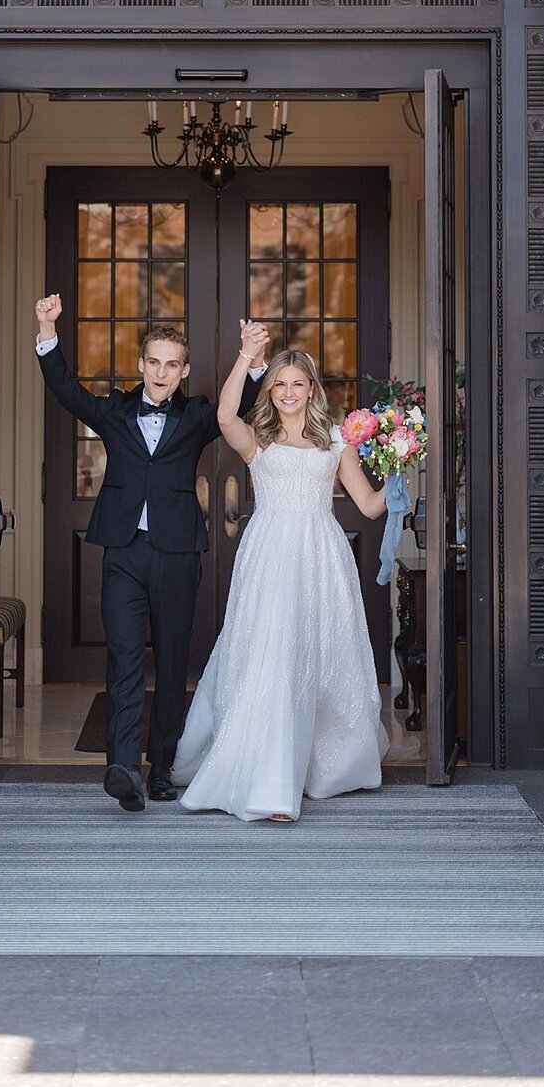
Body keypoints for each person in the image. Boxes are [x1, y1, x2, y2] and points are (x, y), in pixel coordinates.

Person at [34, 295, 268, 813]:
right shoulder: (116, 409)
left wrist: (252, 357)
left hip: (179, 553)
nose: (161, 372)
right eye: (153, 362)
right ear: (141, 365)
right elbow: (66, 391)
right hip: (122, 551)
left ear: (184, 371)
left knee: (171, 661)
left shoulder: (197, 416)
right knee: (122, 659)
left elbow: (243, 406)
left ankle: (161, 767)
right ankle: (122, 767)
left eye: (172, 365)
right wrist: (47, 330)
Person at [172, 337, 390, 822]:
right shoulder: (258, 438)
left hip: (322, 556)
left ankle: (322, 765)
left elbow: (369, 506)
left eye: (297, 383)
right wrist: (246, 356)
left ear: (311, 389)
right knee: (270, 656)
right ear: (269, 391)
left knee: (321, 653)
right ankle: (269, 780)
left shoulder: (336, 440)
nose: (288, 392)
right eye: (279, 385)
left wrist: (402, 477)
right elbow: (225, 417)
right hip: (270, 553)